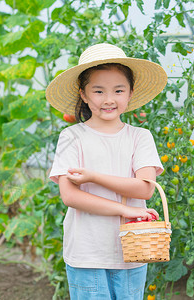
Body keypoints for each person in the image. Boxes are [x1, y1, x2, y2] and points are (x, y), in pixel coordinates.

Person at [46, 43, 168, 299]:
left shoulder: (140, 137)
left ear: (130, 93)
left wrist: (93, 177)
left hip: (132, 249)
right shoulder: (71, 137)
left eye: (118, 90)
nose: (109, 99)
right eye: (98, 91)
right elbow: (70, 197)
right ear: (84, 94)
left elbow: (144, 187)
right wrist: (126, 209)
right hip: (86, 252)